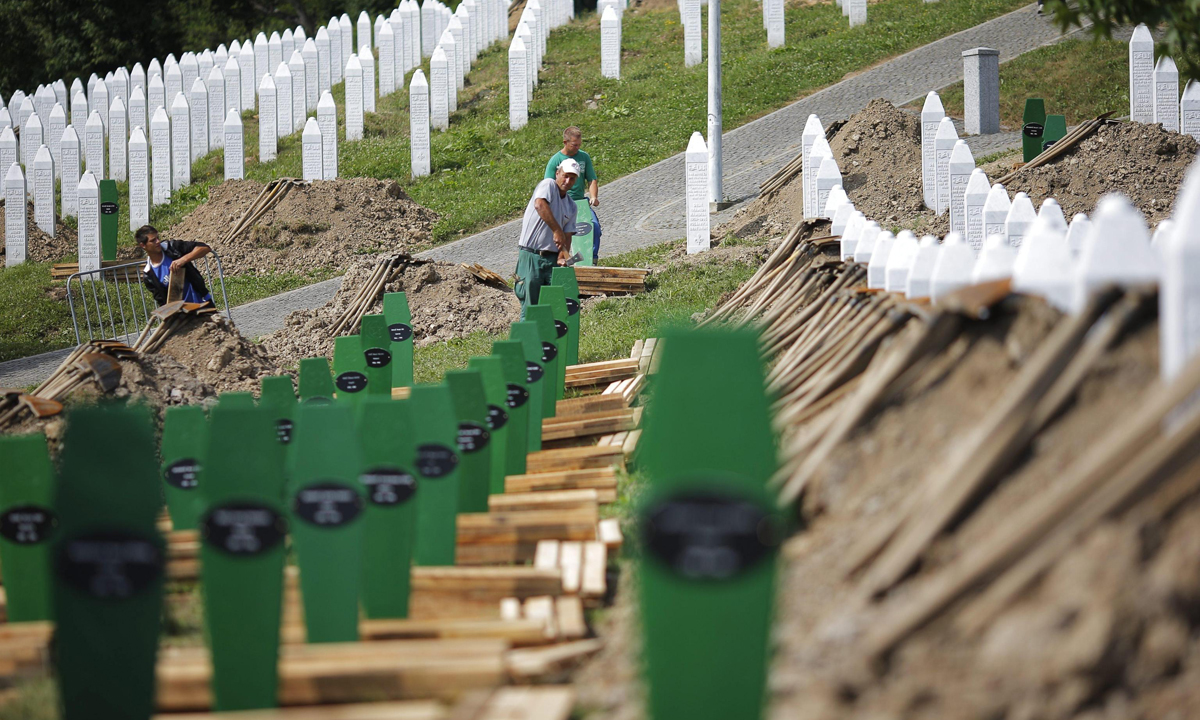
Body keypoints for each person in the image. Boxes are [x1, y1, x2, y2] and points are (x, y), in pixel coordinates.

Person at [515, 159, 580, 316]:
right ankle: (528, 339)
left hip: (552, 261)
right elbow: (540, 205)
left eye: (572, 178)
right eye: (565, 176)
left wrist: (562, 256)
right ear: (557, 173)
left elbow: (568, 234)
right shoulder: (548, 185)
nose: (567, 181)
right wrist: (556, 230)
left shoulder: (571, 206)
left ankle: (549, 340)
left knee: (554, 308)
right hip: (532, 255)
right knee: (531, 308)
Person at [544, 126, 600, 264]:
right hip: (562, 203)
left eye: (579, 145)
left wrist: (593, 196)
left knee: (594, 227)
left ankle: (591, 259)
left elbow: (592, 179)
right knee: (562, 233)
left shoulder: (584, 157)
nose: (577, 148)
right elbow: (548, 185)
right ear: (565, 142)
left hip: (580, 202)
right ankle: (560, 260)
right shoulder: (555, 160)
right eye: (574, 145)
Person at [135, 225, 215, 306]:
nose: (158, 241)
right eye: (153, 240)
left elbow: (205, 248)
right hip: (183, 315)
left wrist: (183, 260)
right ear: (143, 245)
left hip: (203, 303)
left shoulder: (172, 248)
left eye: (157, 237)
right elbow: (163, 303)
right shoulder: (149, 276)